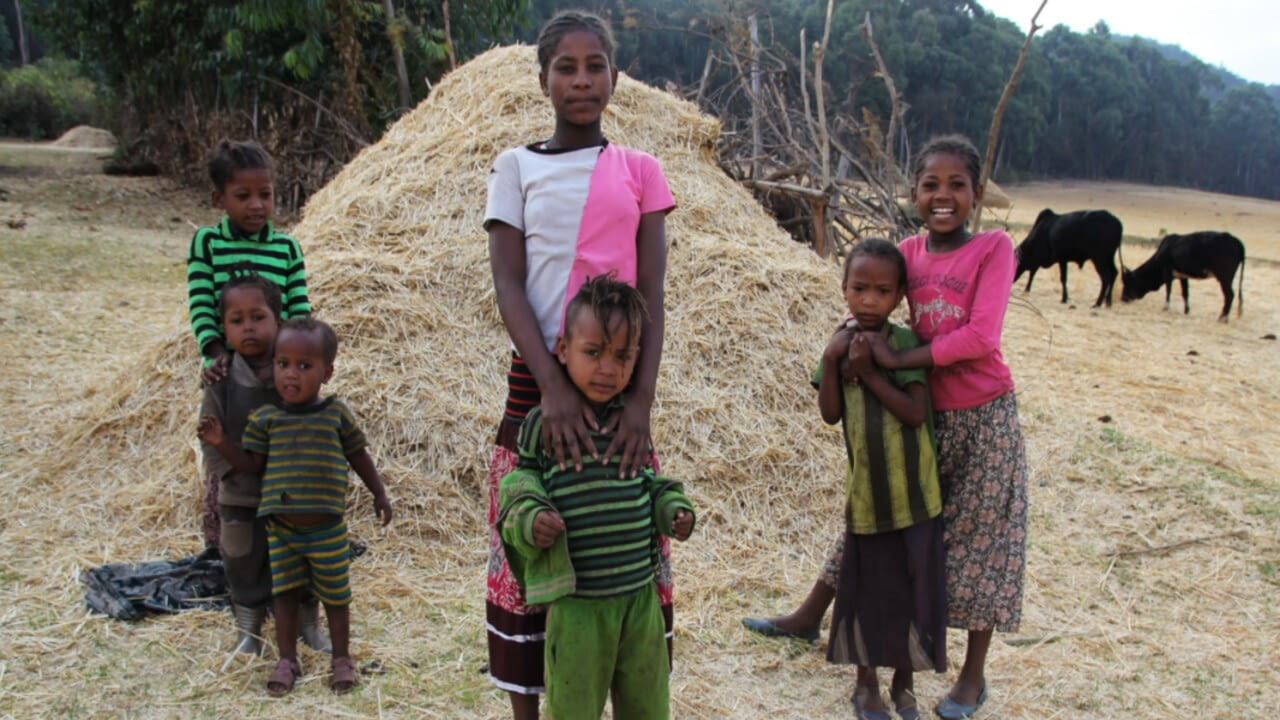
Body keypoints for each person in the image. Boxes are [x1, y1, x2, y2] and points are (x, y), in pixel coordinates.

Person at [745, 135, 1029, 720]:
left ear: (977, 193)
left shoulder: (994, 248)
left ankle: (972, 677)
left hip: (981, 416)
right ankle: (812, 616)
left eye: (957, 185)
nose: (943, 196)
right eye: (930, 185)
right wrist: (845, 349)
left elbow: (981, 337)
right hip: (913, 417)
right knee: (880, 518)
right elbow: (866, 313)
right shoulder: (906, 253)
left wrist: (894, 362)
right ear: (913, 192)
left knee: (985, 542)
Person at [483, 10, 675, 719]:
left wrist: (640, 401)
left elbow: (652, 293)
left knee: (616, 538)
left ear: (615, 78)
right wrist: (553, 388)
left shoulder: (641, 171)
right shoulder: (516, 167)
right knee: (532, 538)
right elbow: (509, 283)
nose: (582, 80)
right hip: (537, 383)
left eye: (596, 66)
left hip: (617, 385)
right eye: (566, 67)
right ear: (543, 80)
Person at [497, 276, 695, 720]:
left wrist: (674, 510)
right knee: (574, 707)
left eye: (622, 356)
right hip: (578, 607)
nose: (608, 368)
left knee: (648, 704)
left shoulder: (630, 424)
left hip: (639, 600)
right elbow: (519, 485)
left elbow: (650, 483)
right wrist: (532, 518)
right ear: (563, 349)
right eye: (593, 352)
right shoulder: (544, 425)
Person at [199, 316, 393, 696]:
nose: (291, 374)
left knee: (335, 596)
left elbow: (358, 454)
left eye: (304, 366)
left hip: (327, 530)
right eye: (283, 364)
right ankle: (287, 659)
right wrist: (222, 443)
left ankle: (341, 658)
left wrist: (379, 492)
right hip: (282, 532)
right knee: (284, 594)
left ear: (327, 373)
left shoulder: (335, 414)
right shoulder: (266, 419)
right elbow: (251, 465)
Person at [815, 239, 947, 720]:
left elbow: (914, 413)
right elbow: (830, 413)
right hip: (867, 496)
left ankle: (904, 682)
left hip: (915, 494)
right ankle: (865, 683)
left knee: (912, 590)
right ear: (844, 289)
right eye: (860, 288)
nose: (869, 300)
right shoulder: (837, 343)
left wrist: (870, 373)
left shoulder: (905, 344)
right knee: (868, 590)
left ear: (900, 296)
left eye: (882, 291)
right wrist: (833, 359)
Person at [197, 272, 330, 660]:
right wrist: (231, 473)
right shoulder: (221, 380)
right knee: (243, 561)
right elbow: (208, 433)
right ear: (223, 328)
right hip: (241, 492)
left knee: (304, 559)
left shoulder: (292, 372)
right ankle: (248, 631)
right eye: (236, 320)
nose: (248, 328)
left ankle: (308, 625)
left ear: (278, 320)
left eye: (258, 317)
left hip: (294, 494)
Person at [188, 139, 311, 548]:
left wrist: (292, 362)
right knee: (222, 446)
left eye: (265, 195)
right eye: (243, 196)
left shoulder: (287, 248)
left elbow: (299, 309)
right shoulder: (208, 244)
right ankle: (222, 542)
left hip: (276, 370)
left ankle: (279, 538)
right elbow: (201, 302)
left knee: (277, 446)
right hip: (226, 370)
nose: (257, 205)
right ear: (219, 199)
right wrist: (217, 354)